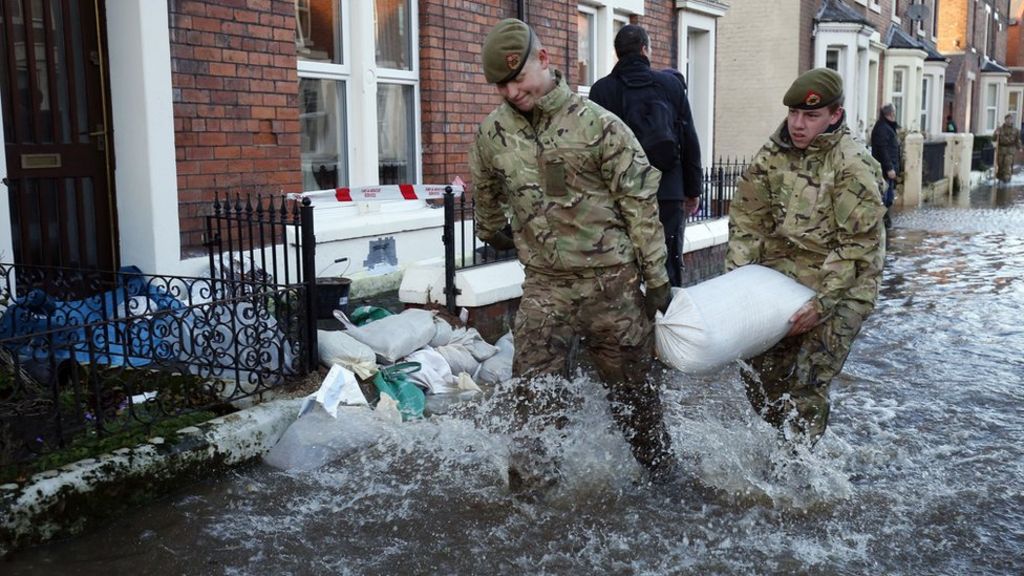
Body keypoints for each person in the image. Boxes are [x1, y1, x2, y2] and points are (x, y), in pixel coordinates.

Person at [469, 19, 676, 489]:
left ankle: (663, 479)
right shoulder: (493, 135)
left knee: (635, 399)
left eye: (517, 80)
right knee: (534, 403)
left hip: (613, 288)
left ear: (543, 61)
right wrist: (497, 233)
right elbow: (485, 198)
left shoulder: (598, 125)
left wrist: (657, 279)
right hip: (545, 290)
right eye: (501, 85)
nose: (511, 93)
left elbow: (639, 206)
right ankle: (532, 506)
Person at [726, 68, 886, 447]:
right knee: (759, 373)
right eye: (793, 114)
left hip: (846, 285)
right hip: (785, 275)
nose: (798, 125)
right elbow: (748, 219)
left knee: (807, 380)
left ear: (835, 115)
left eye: (811, 116)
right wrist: (738, 283)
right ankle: (783, 443)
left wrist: (823, 304)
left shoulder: (852, 165)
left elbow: (857, 246)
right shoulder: (773, 154)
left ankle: (802, 476)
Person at [588, 24, 703, 288]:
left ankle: (628, 325)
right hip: (667, 191)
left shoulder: (601, 91)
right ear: (645, 50)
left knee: (623, 265)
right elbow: (689, 140)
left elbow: (592, 149)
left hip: (620, 196)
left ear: (618, 54)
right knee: (668, 265)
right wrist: (692, 190)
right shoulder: (671, 86)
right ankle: (668, 322)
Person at [870, 103, 900, 228]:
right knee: (885, 199)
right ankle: (882, 224)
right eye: (893, 113)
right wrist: (889, 168)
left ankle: (885, 223)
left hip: (888, 169)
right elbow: (883, 150)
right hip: (884, 170)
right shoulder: (882, 128)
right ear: (890, 114)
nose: (894, 115)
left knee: (888, 198)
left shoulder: (886, 127)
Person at [992, 113, 1020, 183]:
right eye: (1007, 119)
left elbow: (1017, 140)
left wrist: (1019, 147)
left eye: (1010, 119)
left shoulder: (1016, 130)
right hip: (1001, 150)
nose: (1009, 121)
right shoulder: (1000, 129)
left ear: (1012, 120)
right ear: (1005, 120)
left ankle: (1007, 181)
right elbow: (993, 138)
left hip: (1010, 151)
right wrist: (996, 134)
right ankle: (1000, 179)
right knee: (1000, 165)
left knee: (1007, 165)